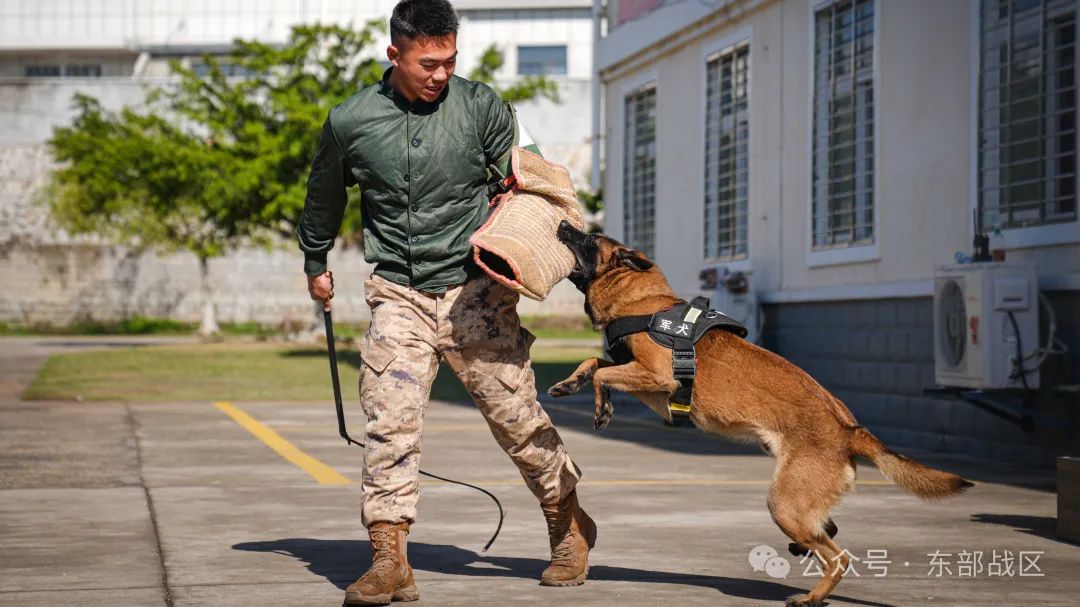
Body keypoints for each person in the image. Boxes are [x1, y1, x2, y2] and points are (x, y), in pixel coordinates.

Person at [297, 1, 596, 604]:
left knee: (517, 421)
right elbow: (323, 194)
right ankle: (389, 558)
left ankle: (568, 524)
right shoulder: (351, 120)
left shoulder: (482, 107)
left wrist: (535, 234)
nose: (439, 74)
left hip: (476, 293)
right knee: (389, 422)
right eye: (426, 63)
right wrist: (316, 261)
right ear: (394, 55)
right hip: (398, 291)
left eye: (448, 61)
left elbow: (534, 176)